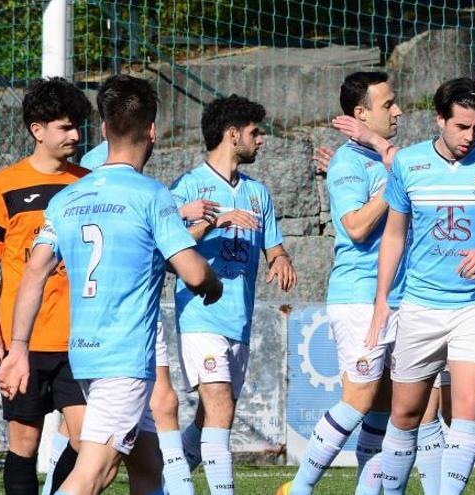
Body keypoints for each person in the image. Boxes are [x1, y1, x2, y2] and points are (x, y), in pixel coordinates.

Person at [0, 73, 223, 495]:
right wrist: (213, 284)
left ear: (102, 129)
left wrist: (19, 348)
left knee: (148, 460)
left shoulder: (68, 198)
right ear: (151, 131)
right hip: (124, 359)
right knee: (94, 473)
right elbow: (193, 272)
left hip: (82, 357)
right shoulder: (151, 195)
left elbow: (34, 271)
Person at [330, 92, 475, 495]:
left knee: (466, 408)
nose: (470, 136)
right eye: (461, 126)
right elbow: (393, 234)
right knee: (405, 414)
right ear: (439, 119)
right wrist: (381, 304)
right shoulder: (410, 163)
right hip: (421, 307)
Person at [282, 71, 403, 495]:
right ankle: (300, 488)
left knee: (384, 407)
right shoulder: (349, 163)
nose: (398, 111)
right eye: (387, 104)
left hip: (393, 297)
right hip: (359, 299)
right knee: (359, 400)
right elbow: (354, 227)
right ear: (360, 113)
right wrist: (395, 186)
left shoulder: (374, 159)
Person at [79, 134, 218, 495]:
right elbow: (130, 230)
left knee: (148, 444)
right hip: (122, 317)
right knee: (94, 467)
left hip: (120, 316)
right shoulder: (105, 169)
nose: (73, 137)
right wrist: (181, 217)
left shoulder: (116, 173)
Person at [172, 94, 296, 495]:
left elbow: (272, 245)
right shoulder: (187, 187)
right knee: (221, 406)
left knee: (210, 415)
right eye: (254, 132)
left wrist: (280, 259)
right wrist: (212, 222)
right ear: (232, 134)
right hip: (200, 314)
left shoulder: (259, 193)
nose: (260, 140)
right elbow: (170, 249)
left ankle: (165, 482)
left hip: (237, 321)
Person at [0, 77, 91, 495]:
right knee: (23, 446)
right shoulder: (3, 185)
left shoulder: (89, 183)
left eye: (77, 125)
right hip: (21, 341)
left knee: (89, 442)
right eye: (65, 127)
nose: (75, 135)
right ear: (37, 130)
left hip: (78, 340)